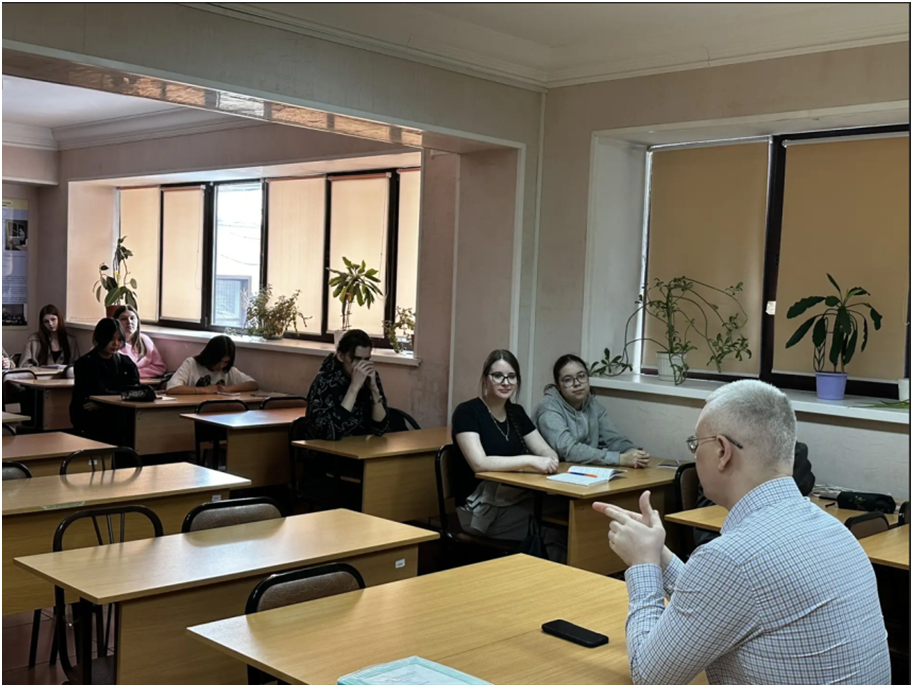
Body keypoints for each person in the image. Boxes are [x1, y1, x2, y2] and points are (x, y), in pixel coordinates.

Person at [592, 379, 890, 685]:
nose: (694, 454)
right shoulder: (833, 530)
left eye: (695, 444)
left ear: (722, 451)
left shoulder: (733, 558)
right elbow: (720, 600)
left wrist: (643, 565)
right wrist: (659, 555)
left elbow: (649, 676)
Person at [452, 349, 566, 559]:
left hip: (513, 497)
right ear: (485, 378)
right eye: (498, 376)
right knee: (554, 530)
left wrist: (550, 458)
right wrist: (530, 461)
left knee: (570, 512)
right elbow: (479, 463)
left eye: (511, 376)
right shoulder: (467, 412)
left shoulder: (516, 412)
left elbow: (543, 449)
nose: (506, 382)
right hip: (479, 509)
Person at [534, 354, 650, 468]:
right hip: (552, 471)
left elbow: (612, 438)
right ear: (558, 386)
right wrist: (619, 459)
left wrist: (632, 452)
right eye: (568, 380)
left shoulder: (592, 404)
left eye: (581, 376)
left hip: (584, 469)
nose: (577, 383)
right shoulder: (548, 407)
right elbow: (568, 450)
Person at [693, 441, 815, 548]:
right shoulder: (731, 452)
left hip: (771, 537)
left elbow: (804, 483)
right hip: (718, 535)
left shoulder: (792, 451)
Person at [303, 329, 389, 440]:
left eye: (366, 359)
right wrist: (354, 388)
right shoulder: (325, 380)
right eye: (356, 359)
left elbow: (381, 428)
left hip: (360, 446)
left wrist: (374, 390)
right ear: (341, 356)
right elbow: (330, 433)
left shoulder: (371, 377)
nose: (362, 366)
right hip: (327, 448)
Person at [70, 318, 140, 443]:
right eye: (111, 339)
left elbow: (134, 392)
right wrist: (117, 398)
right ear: (100, 338)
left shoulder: (126, 363)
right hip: (92, 421)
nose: (116, 344)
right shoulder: (85, 363)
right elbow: (92, 393)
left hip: (120, 419)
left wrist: (104, 404)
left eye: (119, 339)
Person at [166, 335, 258, 395]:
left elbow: (253, 384)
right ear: (210, 356)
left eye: (226, 362)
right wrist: (204, 390)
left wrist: (228, 388)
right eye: (219, 361)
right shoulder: (191, 364)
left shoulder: (228, 370)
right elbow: (172, 388)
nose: (221, 366)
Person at [112, 305, 167, 379]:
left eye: (132, 318)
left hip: (147, 382)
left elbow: (160, 368)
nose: (129, 322)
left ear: (137, 321)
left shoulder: (145, 340)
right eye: (123, 319)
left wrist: (135, 373)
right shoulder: (111, 344)